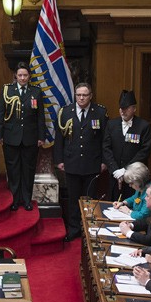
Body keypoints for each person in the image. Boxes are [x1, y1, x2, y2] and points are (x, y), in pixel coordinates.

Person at [54, 82, 108, 241]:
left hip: (92, 164)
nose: (81, 98)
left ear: (90, 96)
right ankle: (73, 229)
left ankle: (89, 230)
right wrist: (59, 160)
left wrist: (104, 161)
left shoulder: (100, 112)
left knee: (90, 200)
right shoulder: (65, 112)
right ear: (75, 96)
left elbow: (105, 139)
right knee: (73, 200)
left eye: (85, 95)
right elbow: (59, 138)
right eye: (79, 95)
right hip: (72, 163)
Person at [0, 63, 45, 211]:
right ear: (15, 76)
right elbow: (0, 114)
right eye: (20, 75)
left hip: (31, 137)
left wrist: (41, 136)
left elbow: (41, 117)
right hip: (11, 137)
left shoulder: (36, 92)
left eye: (25, 75)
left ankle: (27, 200)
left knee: (28, 170)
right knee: (13, 170)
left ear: (29, 76)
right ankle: (15, 199)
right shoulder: (7, 90)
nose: (22, 78)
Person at [103, 90, 151, 202]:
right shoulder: (111, 124)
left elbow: (145, 151)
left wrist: (125, 170)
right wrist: (115, 170)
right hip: (115, 176)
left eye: (126, 108)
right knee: (114, 205)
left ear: (134, 109)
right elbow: (106, 148)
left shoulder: (144, 126)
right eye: (121, 108)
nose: (123, 111)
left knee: (133, 205)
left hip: (135, 178)